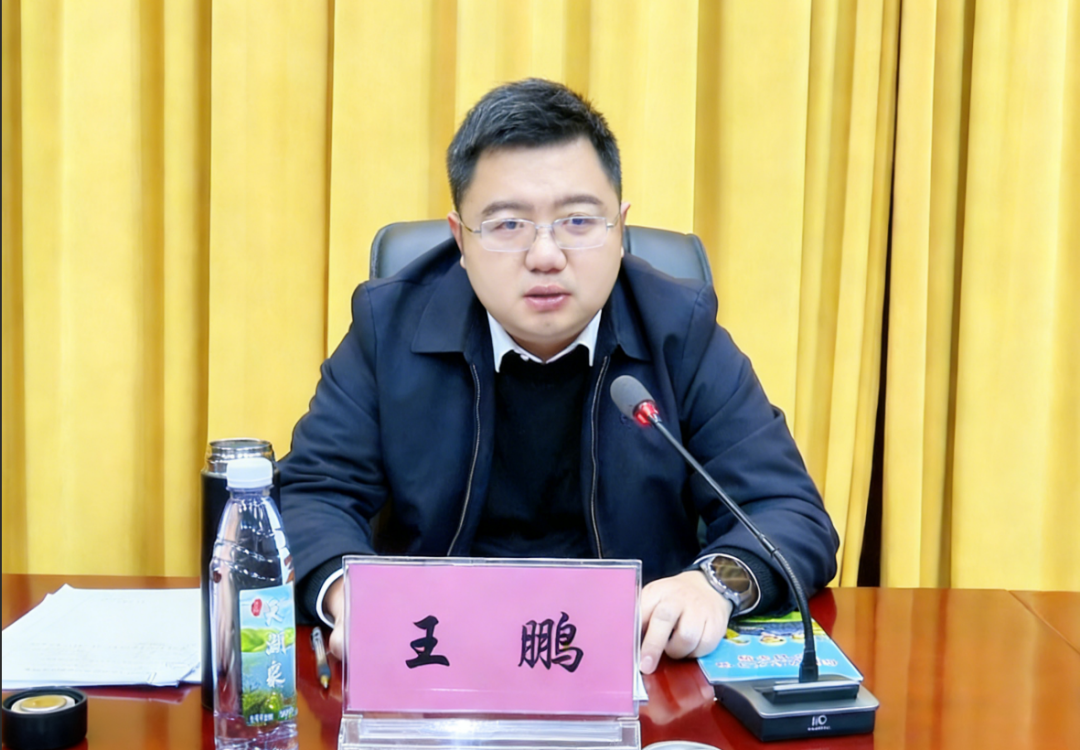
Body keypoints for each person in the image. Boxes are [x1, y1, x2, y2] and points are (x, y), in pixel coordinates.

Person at [280, 78, 839, 675]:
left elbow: (786, 510)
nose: (545, 256)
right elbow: (311, 493)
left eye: (577, 221)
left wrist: (715, 583)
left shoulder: (678, 329)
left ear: (619, 228)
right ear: (460, 239)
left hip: (633, 663)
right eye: (508, 225)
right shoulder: (389, 324)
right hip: (436, 662)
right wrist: (351, 597)